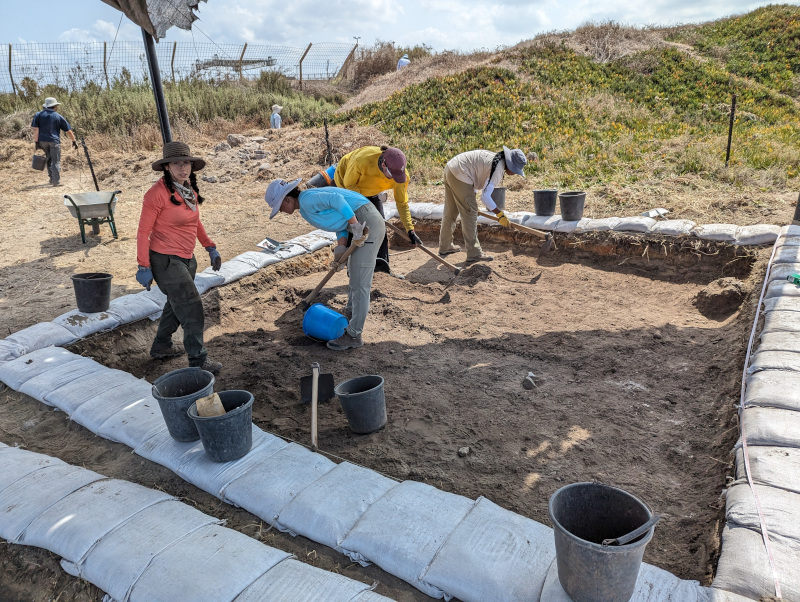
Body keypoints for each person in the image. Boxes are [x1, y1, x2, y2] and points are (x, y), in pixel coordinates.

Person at [265, 179, 386, 351]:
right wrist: (341, 247)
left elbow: (337, 199)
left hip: (367, 223)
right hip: (361, 222)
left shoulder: (307, 200)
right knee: (354, 274)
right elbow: (339, 220)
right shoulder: (306, 205)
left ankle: (353, 335)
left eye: (280, 208)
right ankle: (350, 315)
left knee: (360, 283)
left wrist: (356, 226)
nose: (282, 212)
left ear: (286, 199)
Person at [136, 141, 223, 374]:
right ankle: (198, 361)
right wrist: (143, 265)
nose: (182, 168)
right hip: (165, 260)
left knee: (176, 305)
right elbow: (143, 232)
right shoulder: (156, 194)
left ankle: (161, 346)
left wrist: (210, 247)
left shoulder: (188, 191)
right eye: (176, 164)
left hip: (186, 257)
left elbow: (195, 222)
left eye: (186, 163)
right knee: (192, 307)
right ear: (167, 167)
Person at [331, 145, 417, 276]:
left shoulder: (400, 175)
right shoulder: (362, 161)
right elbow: (350, 186)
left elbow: (402, 203)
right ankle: (352, 268)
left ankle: (381, 266)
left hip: (371, 190)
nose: (395, 179)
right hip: (348, 187)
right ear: (383, 165)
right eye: (392, 175)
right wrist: (367, 209)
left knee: (380, 225)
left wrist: (410, 229)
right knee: (356, 227)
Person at [439, 146, 528, 263]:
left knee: (451, 210)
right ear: (510, 164)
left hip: (451, 168)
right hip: (460, 173)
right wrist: (500, 214)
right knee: (470, 214)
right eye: (515, 170)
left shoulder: (496, 159)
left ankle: (445, 246)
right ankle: (474, 252)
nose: (515, 173)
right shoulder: (498, 168)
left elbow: (475, 178)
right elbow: (485, 197)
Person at [30, 97, 77, 187]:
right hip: (54, 141)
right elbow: (68, 131)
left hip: (42, 140)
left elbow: (35, 129)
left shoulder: (38, 115)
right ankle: (56, 181)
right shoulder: (57, 116)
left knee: (48, 159)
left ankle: (51, 178)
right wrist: (74, 141)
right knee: (55, 161)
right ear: (54, 106)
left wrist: (36, 142)